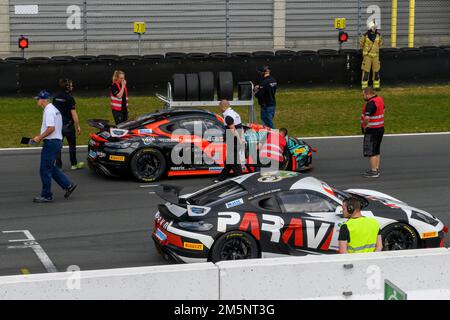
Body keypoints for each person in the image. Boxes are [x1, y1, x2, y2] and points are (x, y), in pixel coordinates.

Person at [32, 90, 77, 203]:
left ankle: (47, 195)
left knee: (44, 170)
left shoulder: (49, 111)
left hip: (51, 143)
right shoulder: (54, 109)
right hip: (56, 141)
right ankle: (68, 185)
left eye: (38, 99)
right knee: (50, 167)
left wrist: (39, 137)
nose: (36, 101)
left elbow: (51, 128)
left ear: (43, 100)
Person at [53, 78, 84, 170]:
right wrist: (78, 125)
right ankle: (74, 164)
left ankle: (58, 166)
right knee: (72, 146)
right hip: (68, 126)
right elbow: (73, 113)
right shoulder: (70, 98)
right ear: (67, 87)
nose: (72, 86)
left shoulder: (55, 97)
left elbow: (53, 112)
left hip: (58, 126)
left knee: (58, 146)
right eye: (71, 85)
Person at [215, 100, 244, 182]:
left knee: (234, 161)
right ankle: (221, 178)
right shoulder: (234, 113)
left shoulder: (228, 117)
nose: (219, 109)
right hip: (235, 138)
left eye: (220, 107)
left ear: (222, 107)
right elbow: (240, 127)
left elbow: (233, 130)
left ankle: (240, 179)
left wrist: (240, 141)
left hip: (234, 140)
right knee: (229, 160)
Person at [361, 87, 385, 178]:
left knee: (371, 151)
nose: (363, 96)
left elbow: (367, 117)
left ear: (368, 94)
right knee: (376, 149)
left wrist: (365, 126)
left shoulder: (370, 104)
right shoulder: (380, 99)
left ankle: (374, 171)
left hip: (372, 130)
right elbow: (383, 110)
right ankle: (376, 168)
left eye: (364, 95)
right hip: (380, 128)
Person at [360, 19, 383, 90]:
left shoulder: (379, 35)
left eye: (375, 27)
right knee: (366, 71)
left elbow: (380, 44)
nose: (375, 28)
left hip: (375, 56)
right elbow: (361, 44)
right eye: (373, 27)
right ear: (370, 27)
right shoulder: (364, 36)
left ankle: (376, 86)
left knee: (376, 71)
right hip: (367, 56)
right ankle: (364, 87)